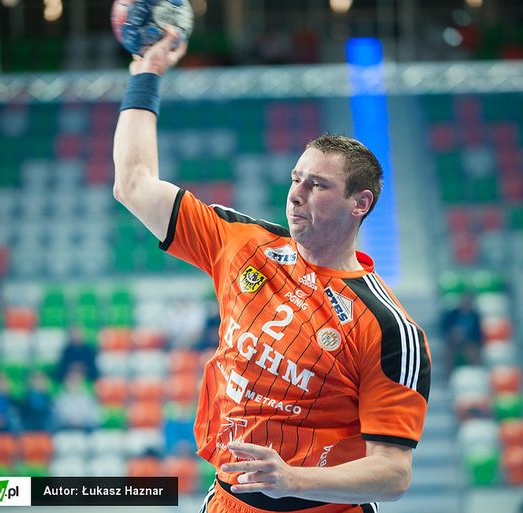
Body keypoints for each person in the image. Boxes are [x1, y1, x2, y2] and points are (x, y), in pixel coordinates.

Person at [113, 28, 431, 512]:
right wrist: (146, 74)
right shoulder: (242, 242)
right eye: (296, 178)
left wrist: (292, 479)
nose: (296, 194)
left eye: (318, 185)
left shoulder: (389, 328)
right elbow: (133, 184)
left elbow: (392, 473)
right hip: (227, 501)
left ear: (360, 203)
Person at [440, 293, 483, 368]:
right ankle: (449, 372)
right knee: (446, 351)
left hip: (468, 342)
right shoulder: (452, 314)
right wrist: (453, 334)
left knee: (473, 352)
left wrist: (466, 337)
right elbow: (444, 327)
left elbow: (478, 334)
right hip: (452, 342)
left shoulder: (475, 316)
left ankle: (475, 371)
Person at [52, 366, 101, 431]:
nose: (73, 383)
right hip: (64, 431)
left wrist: (81, 421)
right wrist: (70, 421)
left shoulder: (88, 398)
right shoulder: (59, 399)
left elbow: (95, 417)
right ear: (65, 381)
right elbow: (56, 417)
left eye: (76, 380)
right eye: (71, 380)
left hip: (85, 431)